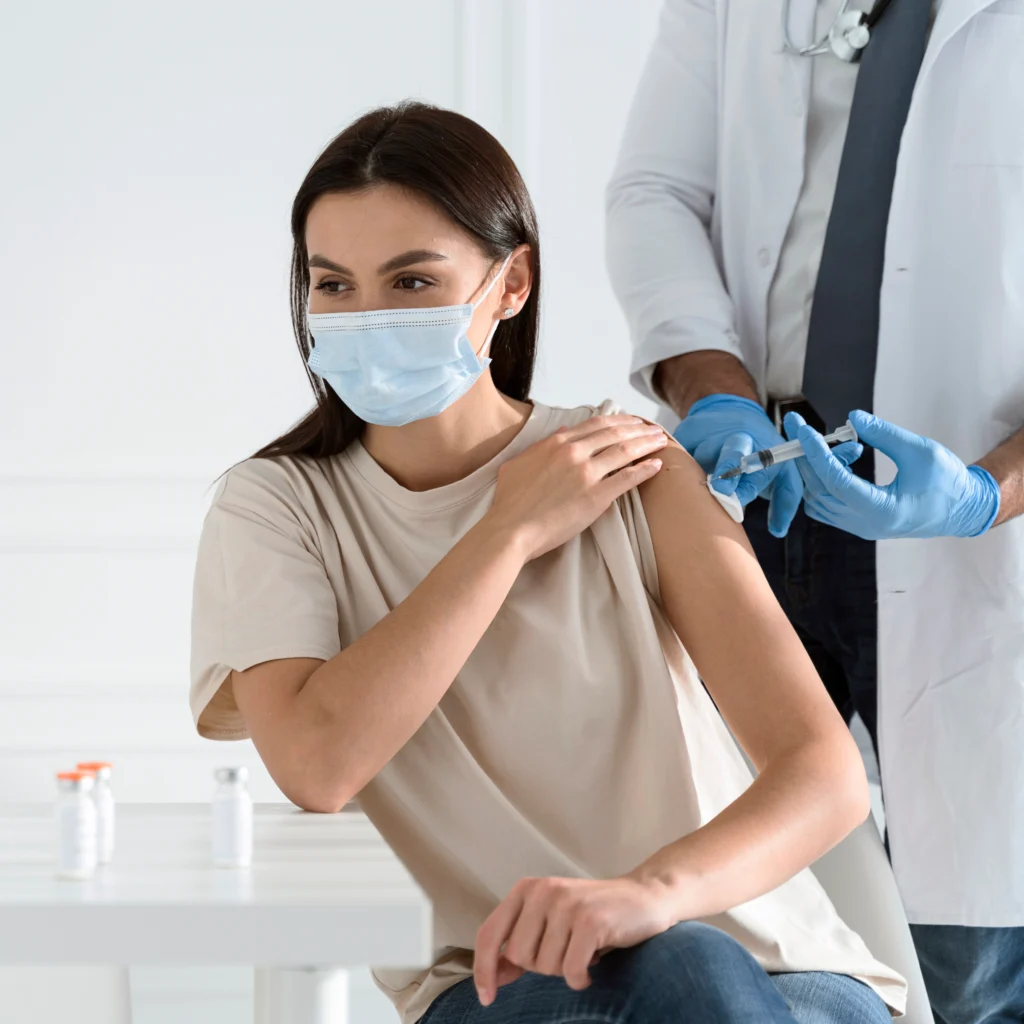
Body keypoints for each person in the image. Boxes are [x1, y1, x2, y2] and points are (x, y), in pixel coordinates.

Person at [189, 101, 906, 1024]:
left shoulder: (630, 466)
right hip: (503, 989)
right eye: (334, 286)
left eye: (411, 283)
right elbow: (318, 764)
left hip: (775, 978)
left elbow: (823, 771)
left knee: (691, 966)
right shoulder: (278, 509)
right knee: (681, 977)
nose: (366, 318)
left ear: (511, 282)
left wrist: (646, 897)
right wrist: (506, 533)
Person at [605, 1, 1024, 1022]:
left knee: (962, 961)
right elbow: (656, 191)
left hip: (972, 537)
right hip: (750, 500)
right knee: (717, 927)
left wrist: (982, 492)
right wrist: (714, 388)